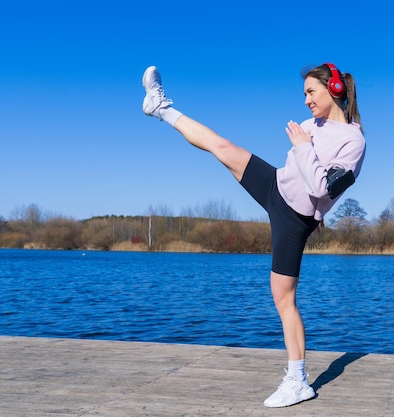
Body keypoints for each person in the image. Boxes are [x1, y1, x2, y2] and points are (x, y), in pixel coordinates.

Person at [141, 62, 365, 407]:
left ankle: (298, 381)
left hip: (294, 219)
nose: (305, 100)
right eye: (304, 93)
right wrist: (304, 148)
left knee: (283, 298)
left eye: (310, 91)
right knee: (222, 146)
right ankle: (161, 108)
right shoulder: (309, 125)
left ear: (333, 89)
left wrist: (304, 148)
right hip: (276, 185)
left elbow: (322, 187)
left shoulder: (353, 140)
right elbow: (299, 173)